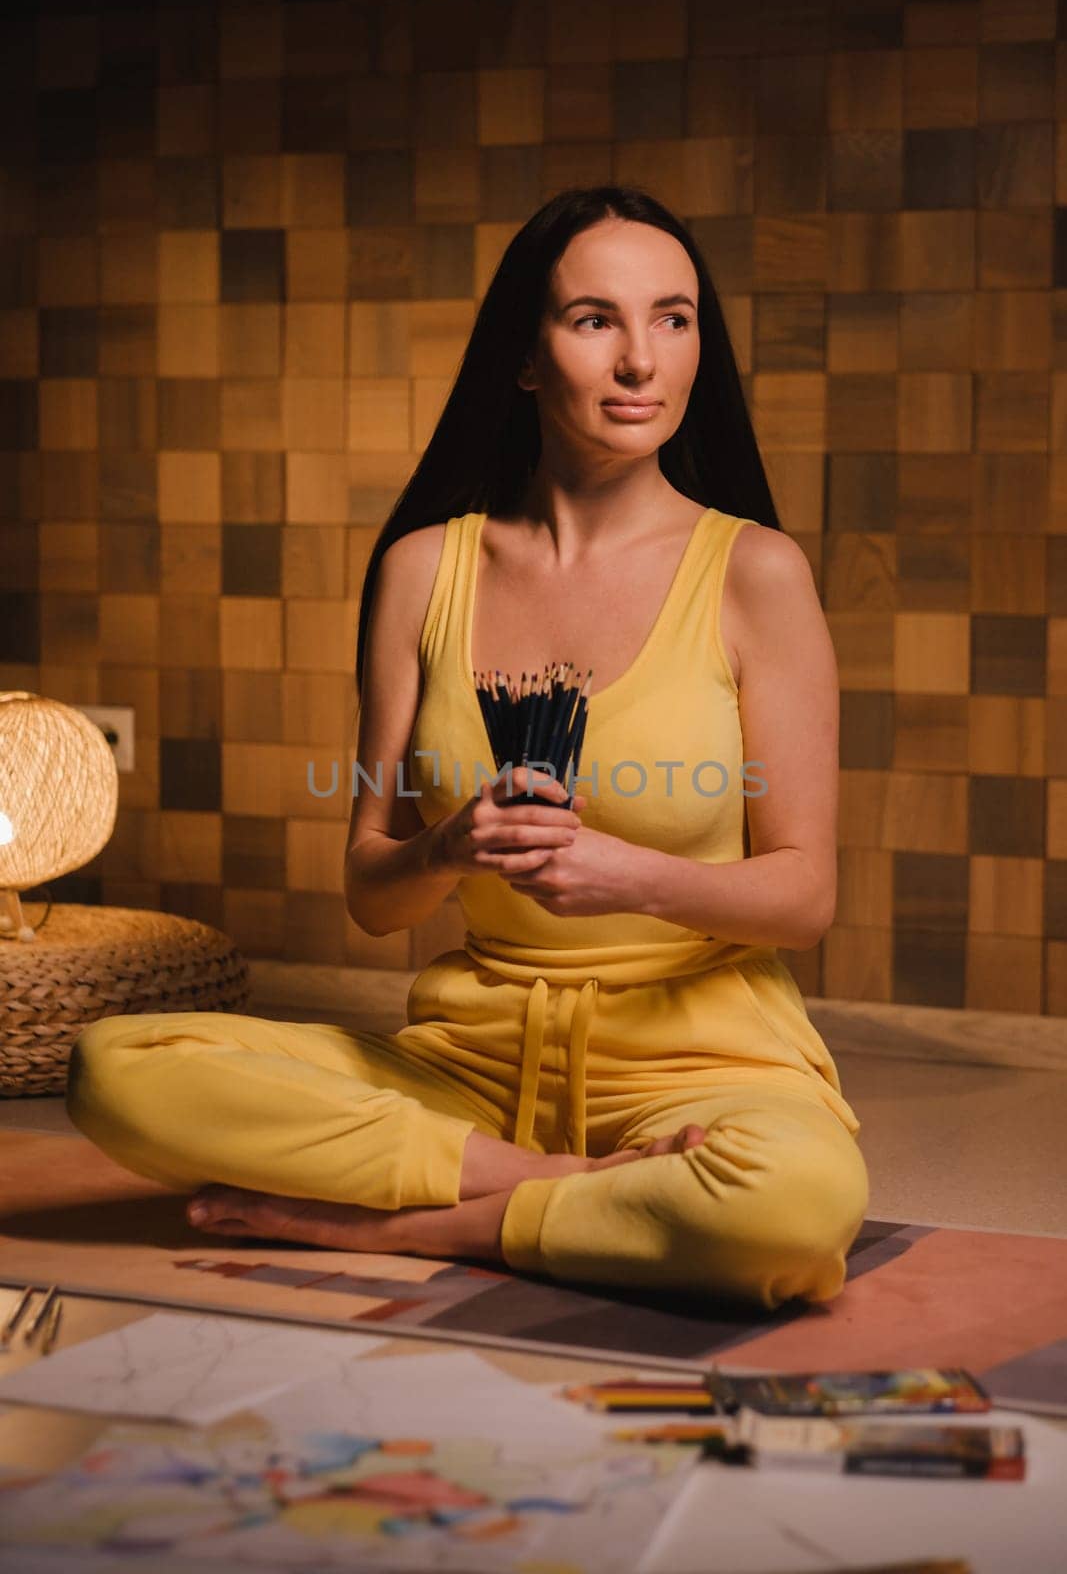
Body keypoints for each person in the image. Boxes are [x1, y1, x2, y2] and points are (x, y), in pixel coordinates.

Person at [67, 185, 868, 1311]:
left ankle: (429, 1224)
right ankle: (555, 1189)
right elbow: (373, 894)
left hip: (700, 1066)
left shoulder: (754, 574)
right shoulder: (421, 571)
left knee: (786, 1207)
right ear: (526, 358)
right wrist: (445, 845)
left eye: (673, 319)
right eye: (595, 320)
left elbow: (804, 894)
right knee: (116, 1071)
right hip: (466, 1068)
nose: (641, 359)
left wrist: (622, 873)